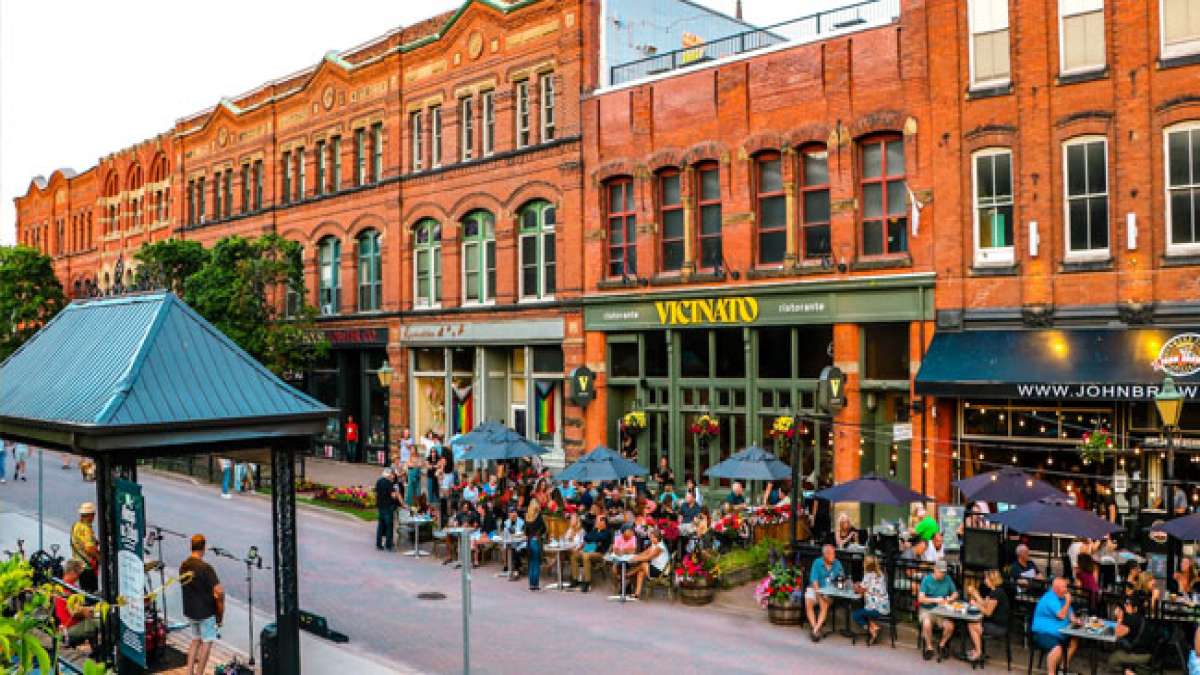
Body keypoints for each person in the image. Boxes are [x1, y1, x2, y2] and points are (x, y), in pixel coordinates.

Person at [180, 534, 224, 675]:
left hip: (190, 611)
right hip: (205, 613)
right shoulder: (206, 568)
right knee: (207, 643)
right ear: (203, 548)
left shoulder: (184, 565)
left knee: (195, 640)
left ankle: (189, 672)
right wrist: (220, 613)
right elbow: (219, 591)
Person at [1031, 577, 1079, 675]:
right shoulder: (1050, 598)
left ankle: (1062, 668)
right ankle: (1051, 673)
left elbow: (1071, 617)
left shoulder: (1063, 598)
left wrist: (1077, 621)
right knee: (1058, 648)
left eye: (1066, 587)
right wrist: (1068, 602)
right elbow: (1061, 615)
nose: (1066, 590)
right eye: (1064, 587)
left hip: (1060, 633)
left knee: (1075, 640)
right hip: (1043, 633)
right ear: (1056, 589)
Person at [53, 559, 101, 649]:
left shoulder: (63, 586)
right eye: (79, 572)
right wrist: (91, 609)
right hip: (69, 629)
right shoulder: (67, 589)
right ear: (72, 571)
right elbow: (75, 612)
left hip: (68, 625)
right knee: (98, 622)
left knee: (94, 618)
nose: (79, 576)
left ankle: (95, 649)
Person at [965, 570, 1010, 664]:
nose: (985, 580)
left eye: (986, 578)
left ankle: (978, 652)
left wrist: (976, 604)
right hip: (997, 624)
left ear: (991, 580)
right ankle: (977, 650)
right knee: (973, 622)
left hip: (999, 627)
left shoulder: (996, 593)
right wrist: (975, 593)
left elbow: (988, 612)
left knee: (971, 625)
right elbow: (984, 604)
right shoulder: (996, 590)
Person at [918, 560, 959, 660]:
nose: (942, 574)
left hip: (942, 611)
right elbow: (921, 599)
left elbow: (955, 593)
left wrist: (950, 598)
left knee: (950, 626)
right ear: (935, 569)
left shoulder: (947, 579)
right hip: (927, 610)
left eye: (944, 572)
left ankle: (941, 645)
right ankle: (929, 647)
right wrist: (935, 600)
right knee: (926, 623)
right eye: (941, 571)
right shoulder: (926, 580)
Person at [805, 544, 845, 641]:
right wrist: (819, 594)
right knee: (808, 603)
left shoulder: (837, 563)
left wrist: (840, 581)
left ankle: (815, 630)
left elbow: (842, 577)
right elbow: (814, 581)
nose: (834, 556)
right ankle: (816, 628)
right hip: (815, 589)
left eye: (834, 553)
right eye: (832, 554)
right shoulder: (817, 562)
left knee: (824, 604)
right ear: (825, 555)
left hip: (829, 591)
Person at [1108, 593, 1154, 674]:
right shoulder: (1142, 618)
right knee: (1121, 651)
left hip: (1142, 656)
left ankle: (1129, 672)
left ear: (1135, 609)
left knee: (1113, 659)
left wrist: (1119, 618)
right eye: (1125, 604)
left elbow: (1117, 634)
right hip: (1149, 653)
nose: (1125, 607)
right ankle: (1130, 668)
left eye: (1128, 605)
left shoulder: (1130, 619)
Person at [851, 555, 890, 645]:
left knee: (856, 615)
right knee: (865, 611)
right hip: (885, 607)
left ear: (866, 564)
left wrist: (855, 586)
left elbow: (860, 590)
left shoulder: (868, 575)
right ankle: (873, 627)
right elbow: (870, 587)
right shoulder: (881, 574)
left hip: (874, 608)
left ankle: (872, 629)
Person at [572, 513, 612, 593]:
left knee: (585, 556)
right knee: (574, 556)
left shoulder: (607, 532)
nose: (596, 522)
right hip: (589, 551)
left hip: (600, 554)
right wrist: (595, 539)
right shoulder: (595, 530)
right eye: (596, 521)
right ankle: (575, 579)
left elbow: (600, 538)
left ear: (603, 522)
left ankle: (587, 582)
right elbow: (586, 537)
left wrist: (594, 538)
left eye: (597, 521)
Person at [629, 528, 670, 597]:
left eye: (652, 537)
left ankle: (628, 574)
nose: (650, 539)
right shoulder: (655, 544)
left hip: (661, 572)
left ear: (656, 538)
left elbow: (648, 557)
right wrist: (635, 556)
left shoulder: (660, 547)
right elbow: (645, 552)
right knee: (640, 572)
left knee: (643, 564)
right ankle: (637, 594)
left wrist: (635, 558)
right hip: (656, 568)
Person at [71, 502, 100, 593]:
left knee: (84, 591)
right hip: (87, 566)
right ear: (90, 515)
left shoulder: (76, 525)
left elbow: (80, 542)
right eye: (93, 515)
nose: (93, 517)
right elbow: (89, 548)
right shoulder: (86, 529)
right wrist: (100, 558)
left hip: (78, 564)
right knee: (91, 593)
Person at [374, 467, 399, 550]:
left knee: (380, 526)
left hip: (380, 506)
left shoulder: (379, 481)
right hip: (388, 507)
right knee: (389, 527)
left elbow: (376, 494)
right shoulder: (389, 483)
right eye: (392, 474)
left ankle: (378, 544)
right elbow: (393, 496)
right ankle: (388, 545)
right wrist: (396, 493)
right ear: (389, 474)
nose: (393, 476)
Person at [525, 499, 546, 591]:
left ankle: (531, 584)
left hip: (529, 541)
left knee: (531, 563)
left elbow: (526, 532)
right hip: (536, 540)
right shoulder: (539, 516)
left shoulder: (527, 516)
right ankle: (536, 584)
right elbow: (544, 528)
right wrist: (539, 533)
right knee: (536, 563)